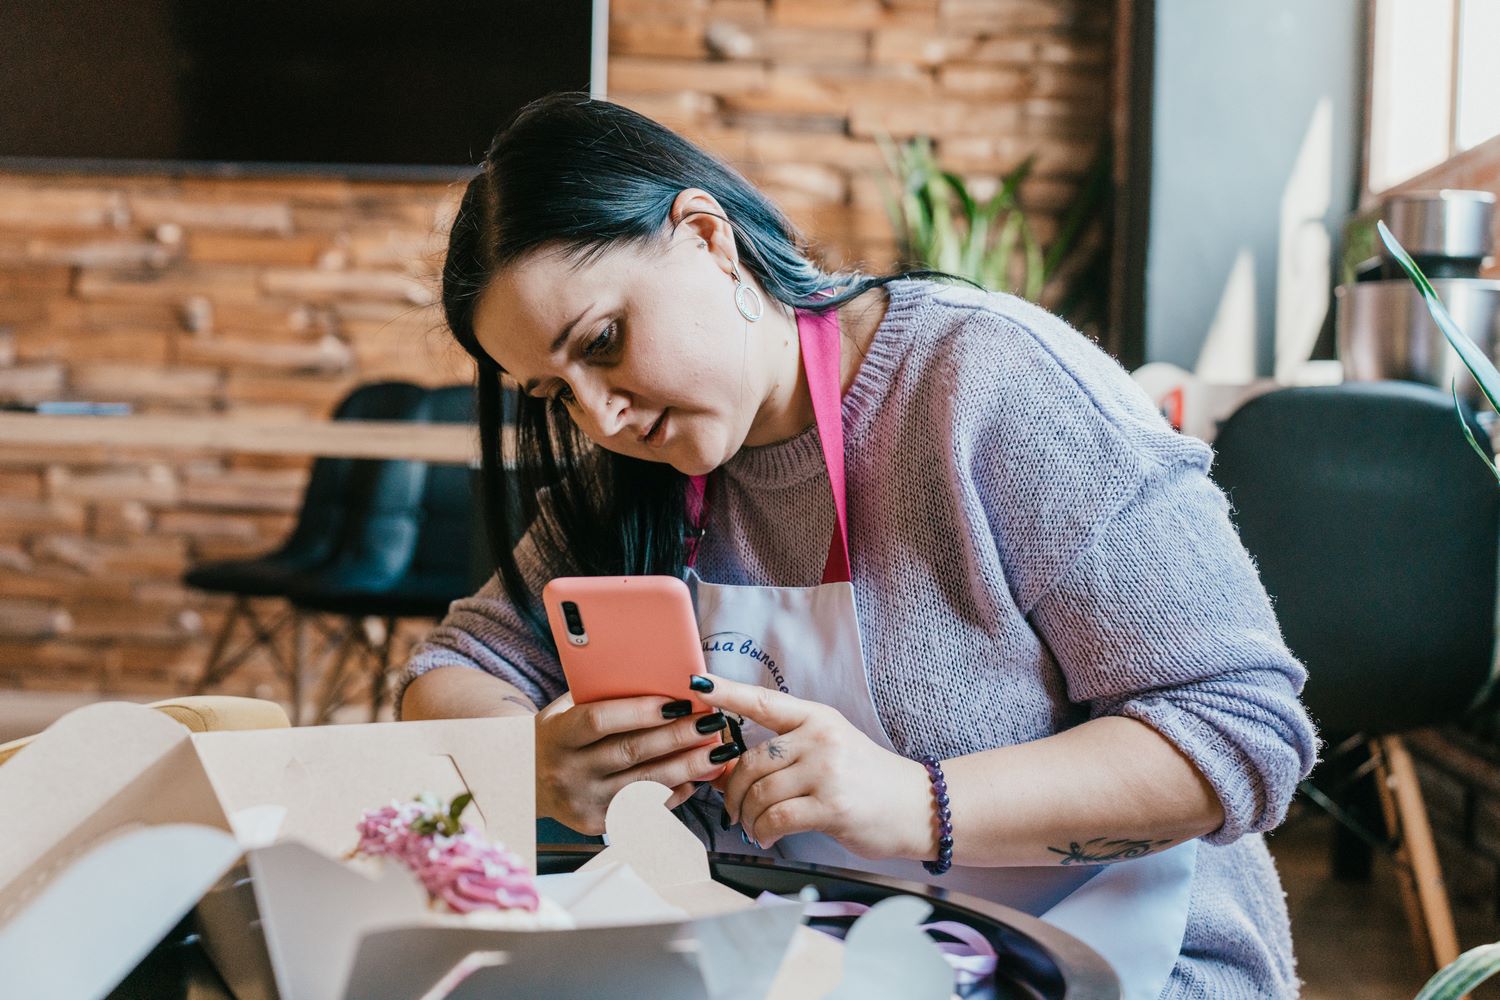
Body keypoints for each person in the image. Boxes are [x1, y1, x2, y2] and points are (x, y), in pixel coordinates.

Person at [398, 93, 1318, 998]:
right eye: (554, 395)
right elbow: (450, 670)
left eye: (603, 341)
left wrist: (915, 802)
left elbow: (1240, 730)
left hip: (1125, 971)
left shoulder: (989, 387)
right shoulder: (636, 476)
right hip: (809, 966)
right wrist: (531, 759)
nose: (602, 418)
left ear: (709, 240)